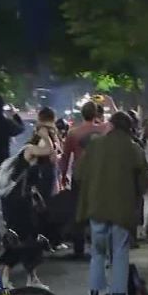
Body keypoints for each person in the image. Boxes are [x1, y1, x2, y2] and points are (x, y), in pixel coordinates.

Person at [75, 111, 148, 295]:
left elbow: (79, 174)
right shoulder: (134, 148)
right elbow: (144, 183)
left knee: (97, 254)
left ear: (111, 126)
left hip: (96, 208)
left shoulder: (95, 146)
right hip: (122, 211)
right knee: (119, 253)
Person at [0, 107, 58, 289]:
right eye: (51, 130)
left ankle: (31, 278)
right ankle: (4, 278)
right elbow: (49, 151)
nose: (54, 133)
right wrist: (45, 133)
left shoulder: (37, 148)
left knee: (32, 239)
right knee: (19, 238)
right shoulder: (31, 148)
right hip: (16, 200)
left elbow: (53, 157)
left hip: (26, 199)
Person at [58, 101, 110, 258]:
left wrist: (62, 177)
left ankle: (79, 248)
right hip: (100, 175)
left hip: (80, 176)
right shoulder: (105, 130)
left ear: (82, 114)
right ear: (96, 114)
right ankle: (99, 247)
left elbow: (66, 158)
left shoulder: (73, 133)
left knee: (79, 213)